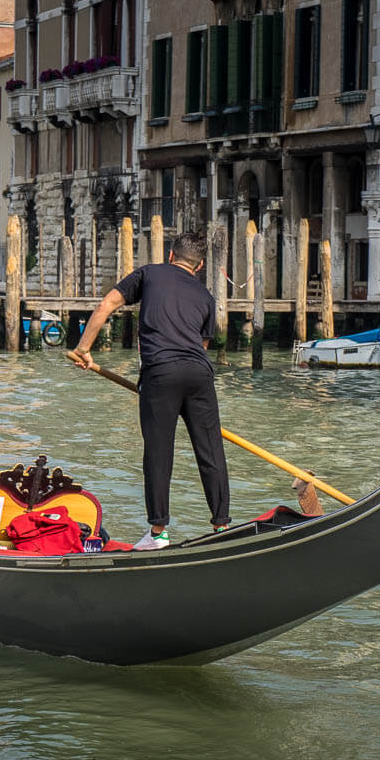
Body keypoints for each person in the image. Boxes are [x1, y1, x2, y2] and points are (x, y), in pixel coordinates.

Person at [73, 232, 230, 550]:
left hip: (161, 373)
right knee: (211, 451)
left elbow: (108, 304)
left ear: (171, 256)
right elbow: (201, 346)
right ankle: (222, 527)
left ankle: (158, 533)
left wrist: (84, 349)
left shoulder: (149, 273)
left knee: (159, 453)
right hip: (200, 373)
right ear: (198, 266)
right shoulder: (205, 297)